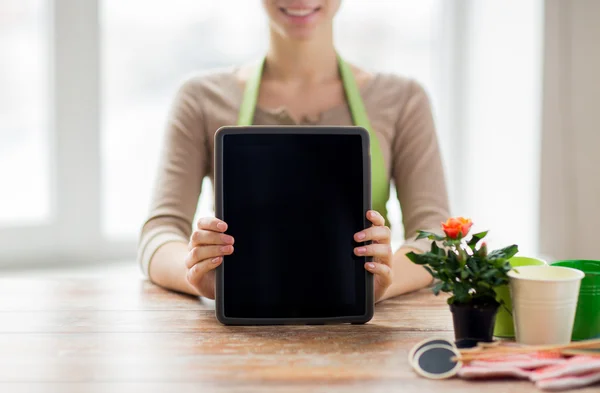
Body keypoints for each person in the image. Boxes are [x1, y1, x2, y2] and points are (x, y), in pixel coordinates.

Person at [138, 0, 450, 304]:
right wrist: (201, 275)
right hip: (243, 328)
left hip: (363, 332)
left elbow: (437, 237)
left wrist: (378, 283)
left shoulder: (403, 99)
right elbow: (160, 233)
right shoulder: (201, 98)